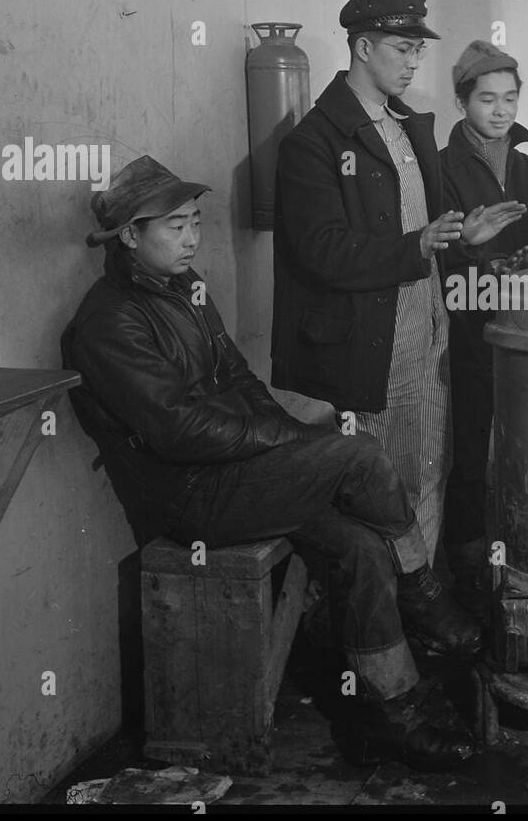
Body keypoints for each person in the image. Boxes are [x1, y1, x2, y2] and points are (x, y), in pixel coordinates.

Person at [62, 155, 479, 771]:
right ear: (128, 236)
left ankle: (393, 714)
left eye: (195, 221)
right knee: (359, 453)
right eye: (174, 226)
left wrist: (288, 439)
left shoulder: (185, 288)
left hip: (242, 475)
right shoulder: (109, 321)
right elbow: (178, 429)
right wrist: (285, 443)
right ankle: (424, 594)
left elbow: (238, 378)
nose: (191, 237)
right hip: (190, 498)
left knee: (362, 547)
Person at [271, 0, 518, 567]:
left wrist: (460, 238)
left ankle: (419, 592)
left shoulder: (407, 128)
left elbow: (420, 234)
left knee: (431, 465)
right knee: (382, 485)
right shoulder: (313, 142)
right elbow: (320, 250)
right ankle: (391, 606)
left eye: (417, 51)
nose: (412, 63)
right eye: (401, 49)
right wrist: (416, 245)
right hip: (372, 349)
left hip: (427, 335)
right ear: (362, 48)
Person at [438, 41, 528, 612]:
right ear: (462, 101)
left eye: (510, 98)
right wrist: (471, 250)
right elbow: (430, 251)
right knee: (469, 442)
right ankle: (466, 559)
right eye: (487, 98)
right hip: (467, 325)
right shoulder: (440, 170)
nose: (501, 110)